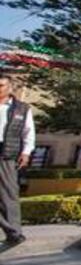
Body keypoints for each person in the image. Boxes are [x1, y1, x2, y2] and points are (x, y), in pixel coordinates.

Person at [0, 74, 35, 250]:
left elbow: (29, 132)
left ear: (9, 87)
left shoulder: (21, 108)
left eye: (1, 85)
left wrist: (26, 152)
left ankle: (14, 233)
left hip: (7, 154)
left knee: (8, 194)